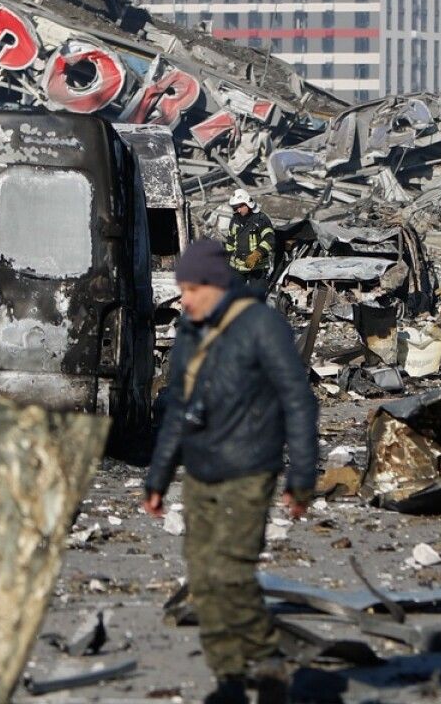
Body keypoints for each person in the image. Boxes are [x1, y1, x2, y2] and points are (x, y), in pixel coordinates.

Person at [145, 239, 318, 704]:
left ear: (217, 285)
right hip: (200, 470)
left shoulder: (262, 325)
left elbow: (297, 401)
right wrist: (158, 477)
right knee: (203, 579)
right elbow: (179, 406)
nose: (184, 299)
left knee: (233, 574)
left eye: (191, 288)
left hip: (249, 469)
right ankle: (229, 679)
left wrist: (302, 477)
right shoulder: (189, 330)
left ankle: (266, 661)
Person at [223, 188, 277, 299]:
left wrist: (257, 254)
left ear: (248, 204)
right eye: (235, 208)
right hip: (238, 267)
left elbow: (269, 239)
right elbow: (230, 242)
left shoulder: (261, 219)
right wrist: (227, 261)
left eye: (239, 207)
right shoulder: (235, 220)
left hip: (257, 268)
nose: (238, 210)